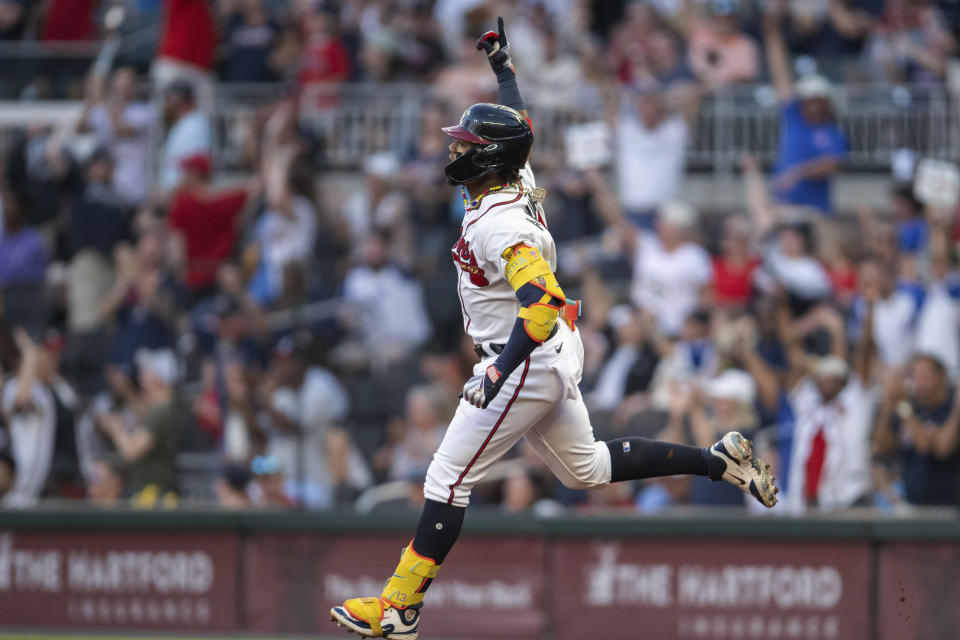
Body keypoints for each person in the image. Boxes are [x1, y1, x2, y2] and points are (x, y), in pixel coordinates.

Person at [329, 18, 778, 640]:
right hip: (552, 349)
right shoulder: (516, 177)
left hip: (526, 356)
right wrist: (502, 69)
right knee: (585, 472)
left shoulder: (500, 222)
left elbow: (540, 307)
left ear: (486, 157)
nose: (454, 150)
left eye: (464, 145)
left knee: (445, 478)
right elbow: (522, 126)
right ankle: (716, 460)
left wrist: (496, 369)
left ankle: (399, 607)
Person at [763, 9, 847, 214]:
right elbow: (780, 74)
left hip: (815, 211)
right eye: (810, 101)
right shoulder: (794, 118)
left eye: (818, 100)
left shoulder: (834, 133)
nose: (814, 105)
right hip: (783, 206)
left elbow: (834, 164)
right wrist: (772, 35)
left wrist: (798, 172)